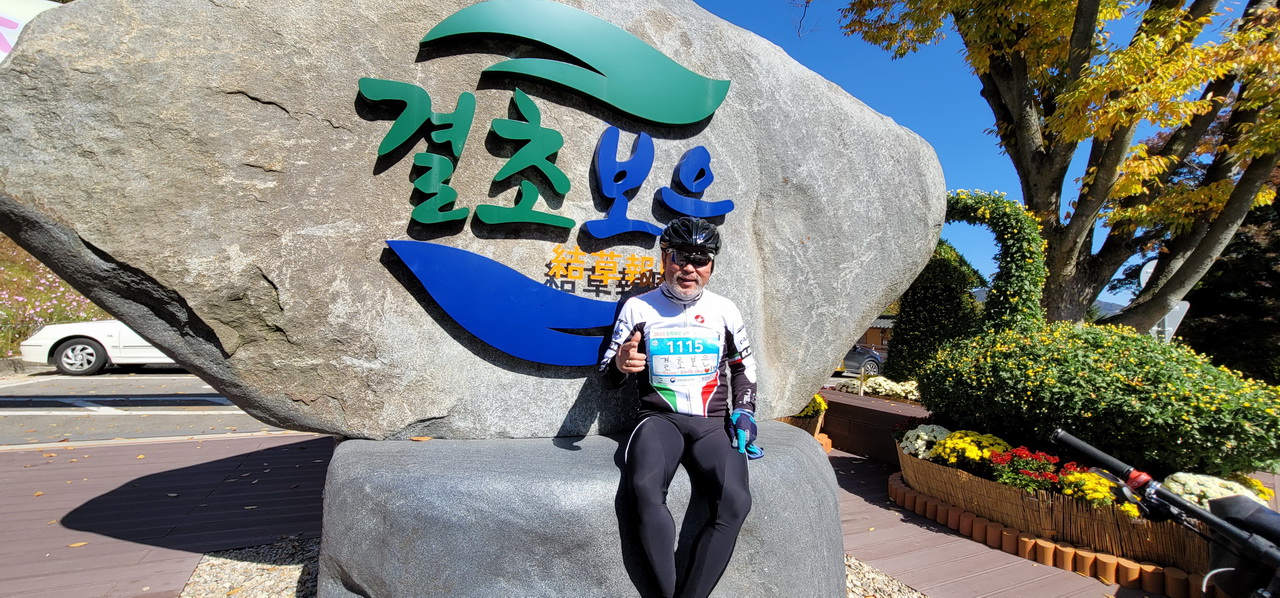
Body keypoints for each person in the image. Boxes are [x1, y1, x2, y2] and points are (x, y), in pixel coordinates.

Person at [600, 216, 762, 598]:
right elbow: (607, 374)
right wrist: (620, 364)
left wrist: (744, 411)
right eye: (680, 256)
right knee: (644, 487)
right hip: (659, 420)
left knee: (736, 501)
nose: (689, 267)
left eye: (701, 259)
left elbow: (744, 366)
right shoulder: (638, 308)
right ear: (664, 257)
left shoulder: (725, 310)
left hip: (712, 422)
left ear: (712, 265)